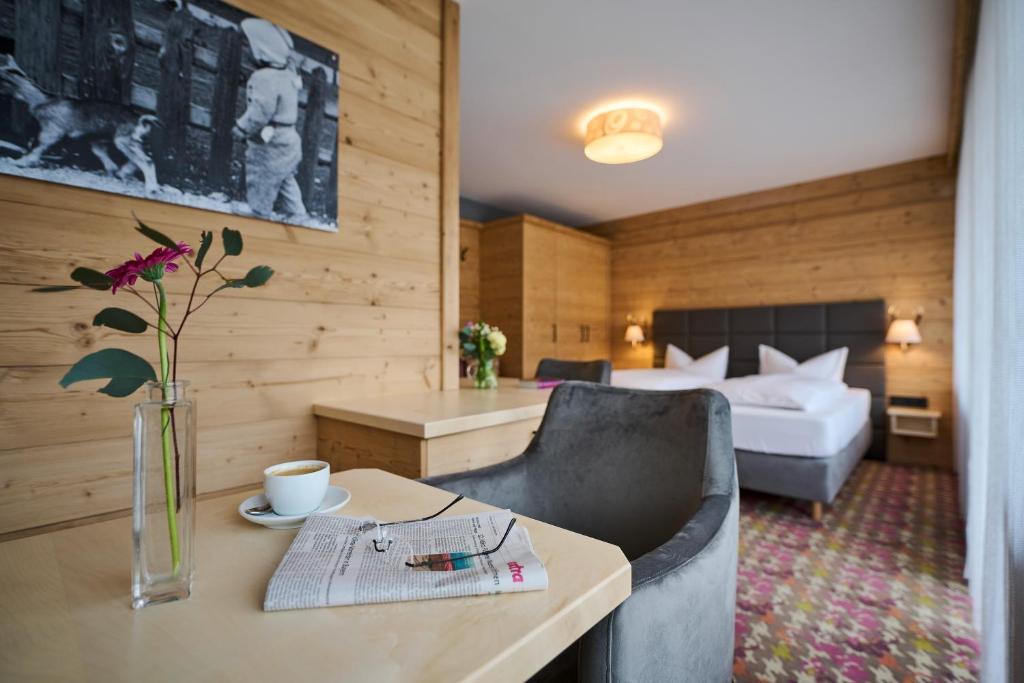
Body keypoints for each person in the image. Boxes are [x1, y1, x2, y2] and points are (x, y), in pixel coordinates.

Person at [232, 18, 307, 220]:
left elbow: (261, 111)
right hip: (289, 137)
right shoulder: (289, 73)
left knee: (261, 174)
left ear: (262, 49)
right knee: (284, 176)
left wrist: (242, 127)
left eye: (249, 45)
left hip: (270, 139)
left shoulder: (265, 78)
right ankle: (297, 212)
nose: (247, 49)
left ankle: (259, 210)